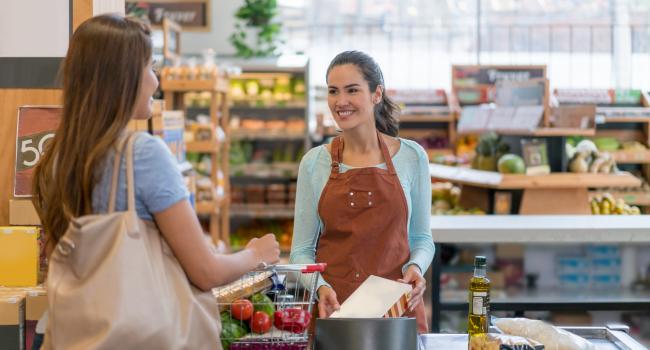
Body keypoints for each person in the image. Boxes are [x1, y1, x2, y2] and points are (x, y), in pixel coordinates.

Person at [31, 14, 280, 346]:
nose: (155, 81)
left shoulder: (54, 158)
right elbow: (205, 272)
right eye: (149, 68)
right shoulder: (142, 154)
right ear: (124, 77)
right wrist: (255, 254)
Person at [289, 50, 434, 332]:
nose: (341, 102)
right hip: (335, 310)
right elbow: (301, 252)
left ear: (376, 94)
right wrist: (320, 288)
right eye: (333, 91)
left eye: (352, 90)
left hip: (397, 311)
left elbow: (422, 238)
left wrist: (415, 268)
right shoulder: (314, 163)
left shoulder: (412, 157)